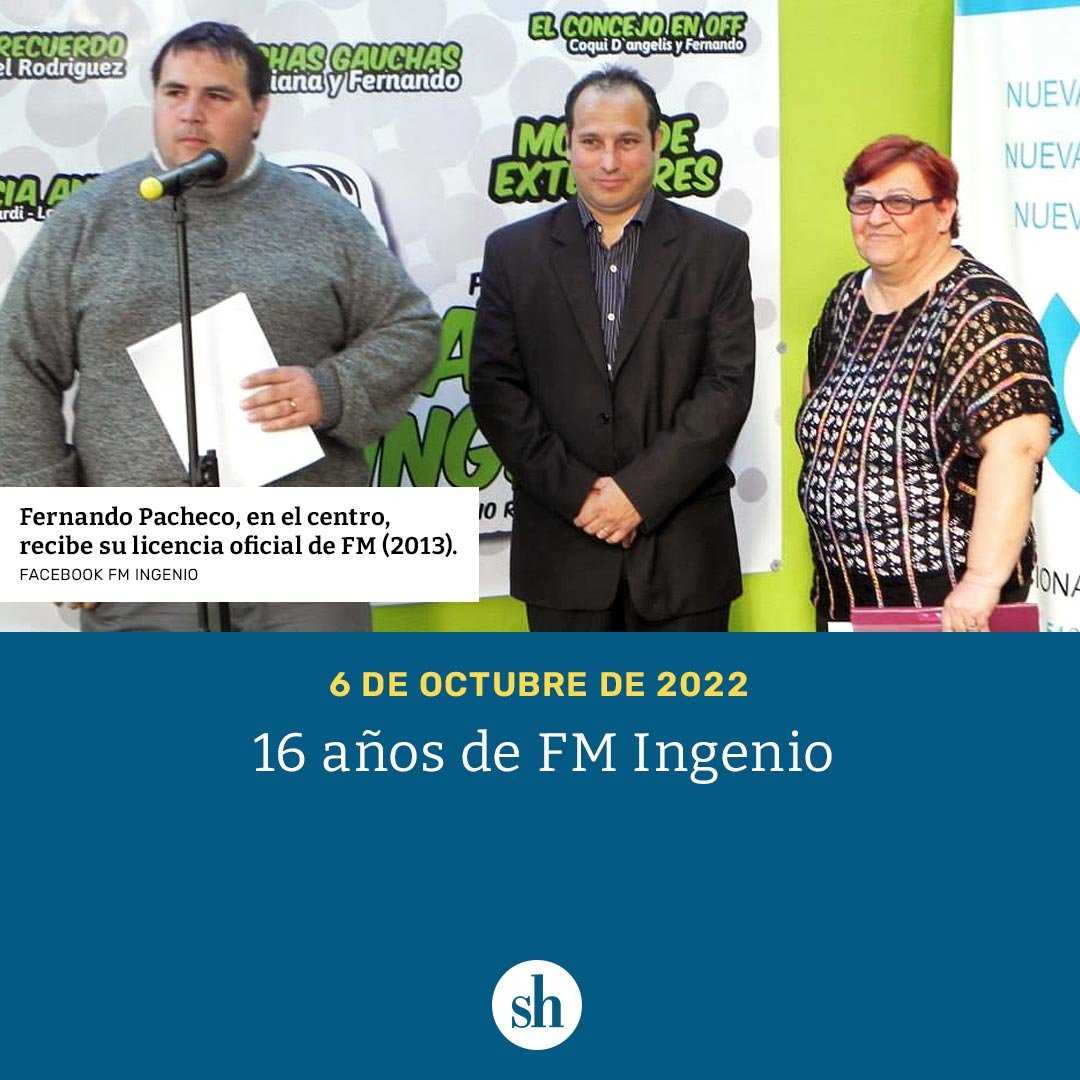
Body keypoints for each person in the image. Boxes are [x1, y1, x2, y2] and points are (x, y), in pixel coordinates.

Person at [0, 22, 438, 632]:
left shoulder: (322, 217)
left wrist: (331, 391)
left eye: (216, 96)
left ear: (258, 110)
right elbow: (17, 365)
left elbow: (411, 328)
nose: (190, 113)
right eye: (174, 93)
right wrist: (53, 530)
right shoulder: (87, 221)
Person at [469, 66, 755, 632]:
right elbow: (495, 387)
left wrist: (638, 495)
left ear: (657, 142)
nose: (608, 161)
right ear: (567, 144)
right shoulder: (513, 253)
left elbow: (725, 389)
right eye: (591, 141)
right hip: (563, 551)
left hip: (684, 556)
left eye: (627, 141)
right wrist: (580, 495)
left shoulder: (717, 249)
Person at [796, 135, 1062, 632]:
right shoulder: (845, 301)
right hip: (845, 599)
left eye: (899, 202)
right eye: (863, 201)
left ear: (944, 213)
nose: (877, 217)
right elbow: (819, 415)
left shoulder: (983, 311)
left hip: (950, 607)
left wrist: (981, 582)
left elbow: (1019, 447)